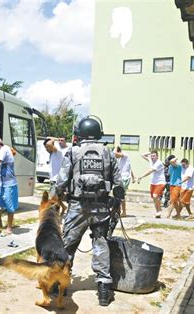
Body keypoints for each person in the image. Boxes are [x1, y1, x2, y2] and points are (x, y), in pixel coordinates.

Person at [53, 116, 123, 306]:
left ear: (80, 133)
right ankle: (103, 290)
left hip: (77, 207)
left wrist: (56, 196)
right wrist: (116, 203)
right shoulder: (108, 153)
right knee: (101, 245)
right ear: (98, 133)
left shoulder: (73, 152)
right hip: (101, 208)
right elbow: (119, 184)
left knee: (67, 245)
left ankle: (61, 284)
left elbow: (61, 181)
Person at [137, 150, 166, 218]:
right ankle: (158, 212)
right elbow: (142, 155)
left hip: (160, 182)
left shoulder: (158, 163)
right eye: (152, 156)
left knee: (155, 196)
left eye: (154, 156)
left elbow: (150, 171)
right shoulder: (150, 160)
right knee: (154, 197)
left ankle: (159, 210)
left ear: (157, 156)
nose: (152, 157)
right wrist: (151, 152)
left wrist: (141, 177)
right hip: (153, 182)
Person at [113, 146, 135, 216]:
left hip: (124, 178)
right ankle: (120, 211)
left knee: (120, 195)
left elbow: (114, 152)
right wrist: (133, 177)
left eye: (116, 155)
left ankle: (122, 212)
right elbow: (129, 168)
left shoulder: (124, 155)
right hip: (121, 178)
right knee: (119, 195)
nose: (115, 156)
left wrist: (116, 147)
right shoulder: (119, 160)